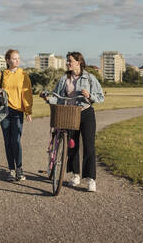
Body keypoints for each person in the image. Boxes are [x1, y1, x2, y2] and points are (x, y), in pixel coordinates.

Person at [43, 52, 104, 192]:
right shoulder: (64, 79)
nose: (68, 63)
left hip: (86, 113)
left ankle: (90, 179)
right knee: (72, 145)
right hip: (70, 114)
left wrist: (90, 96)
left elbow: (101, 97)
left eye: (70, 61)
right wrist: (48, 99)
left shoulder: (90, 78)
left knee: (89, 146)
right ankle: (76, 175)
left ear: (78, 62)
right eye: (67, 61)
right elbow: (57, 97)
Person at [0, 49, 33, 182]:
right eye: (14, 58)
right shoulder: (2, 74)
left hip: (17, 112)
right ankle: (11, 170)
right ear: (7, 60)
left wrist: (28, 111)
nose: (17, 60)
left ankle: (20, 169)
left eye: (18, 58)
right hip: (3, 111)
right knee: (7, 141)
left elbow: (26, 95)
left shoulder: (23, 75)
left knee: (16, 141)